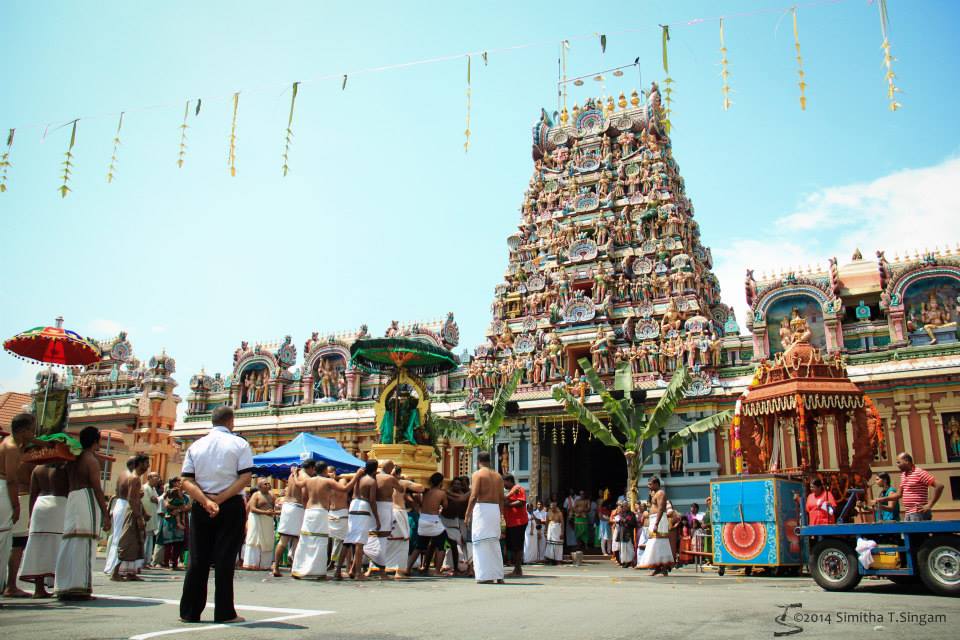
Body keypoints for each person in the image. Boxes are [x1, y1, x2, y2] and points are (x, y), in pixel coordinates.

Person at [178, 405, 254, 624]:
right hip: (229, 504)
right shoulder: (240, 444)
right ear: (231, 422)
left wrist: (206, 501)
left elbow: (186, 480)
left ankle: (190, 612)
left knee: (198, 558)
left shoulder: (196, 445)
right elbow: (245, 478)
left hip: (202, 504)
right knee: (224, 559)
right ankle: (224, 612)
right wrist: (220, 500)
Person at [54, 426, 111, 600]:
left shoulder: (72, 458)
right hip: (86, 497)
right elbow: (97, 488)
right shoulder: (90, 459)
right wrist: (105, 513)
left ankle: (64, 585)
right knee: (84, 542)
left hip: (72, 498)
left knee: (70, 541)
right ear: (96, 440)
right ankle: (80, 588)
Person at [289, 462, 362, 580]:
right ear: (324, 471)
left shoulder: (309, 480)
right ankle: (317, 571)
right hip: (320, 512)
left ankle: (298, 569)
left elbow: (297, 484)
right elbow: (345, 489)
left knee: (305, 540)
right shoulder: (328, 481)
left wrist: (294, 474)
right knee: (320, 541)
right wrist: (357, 475)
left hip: (309, 511)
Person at [1, 413, 38, 597]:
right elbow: (11, 480)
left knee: (8, 541)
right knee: (12, 543)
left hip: (13, 494)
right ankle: (10, 585)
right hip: (13, 495)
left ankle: (8, 585)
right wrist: (16, 506)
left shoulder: (14, 444)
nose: (34, 433)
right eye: (32, 429)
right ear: (23, 431)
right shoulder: (12, 448)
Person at [363, 460, 421, 579]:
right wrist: (406, 480)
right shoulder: (398, 481)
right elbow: (420, 488)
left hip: (378, 510)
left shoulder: (373, 478)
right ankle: (398, 571)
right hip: (397, 512)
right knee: (402, 541)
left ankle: (372, 569)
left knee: (381, 540)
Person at [18, 462, 68, 597]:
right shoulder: (63, 467)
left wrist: (30, 516)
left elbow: (32, 493)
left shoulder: (37, 468)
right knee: (59, 546)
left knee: (38, 546)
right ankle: (59, 586)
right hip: (59, 504)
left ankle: (39, 589)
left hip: (39, 505)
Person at [104, 454, 149, 581]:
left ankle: (130, 571)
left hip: (122, 506)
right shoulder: (134, 478)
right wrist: (139, 517)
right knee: (125, 539)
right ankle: (115, 571)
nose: (147, 467)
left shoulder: (123, 475)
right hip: (127, 508)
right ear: (138, 464)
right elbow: (131, 498)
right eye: (146, 463)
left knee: (128, 538)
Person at [272, 459, 316, 577]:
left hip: (287, 506)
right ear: (311, 468)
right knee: (296, 539)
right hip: (297, 507)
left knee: (284, 539)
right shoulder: (304, 476)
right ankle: (293, 567)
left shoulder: (293, 474)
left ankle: (276, 566)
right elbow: (304, 494)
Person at [465, 451, 505, 583]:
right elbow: (501, 498)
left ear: (478, 461)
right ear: (490, 461)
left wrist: (467, 514)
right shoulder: (498, 476)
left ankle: (484, 576)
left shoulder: (478, 474)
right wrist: (501, 515)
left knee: (480, 542)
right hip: (494, 510)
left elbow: (474, 495)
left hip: (482, 509)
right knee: (494, 542)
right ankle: (498, 575)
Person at [875, 452, 944, 522]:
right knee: (908, 532)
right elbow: (898, 494)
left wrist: (930, 505)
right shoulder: (903, 475)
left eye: (899, 462)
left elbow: (939, 486)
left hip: (918, 512)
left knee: (918, 533)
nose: (897, 465)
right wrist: (882, 499)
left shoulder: (919, 473)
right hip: (908, 512)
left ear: (907, 461)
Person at [342, 458, 379, 580]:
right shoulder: (371, 481)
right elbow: (372, 501)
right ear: (375, 469)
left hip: (353, 506)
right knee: (359, 542)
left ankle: (339, 571)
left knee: (348, 540)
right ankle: (358, 573)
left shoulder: (358, 478)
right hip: (363, 506)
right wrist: (377, 519)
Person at [408, 472, 447, 576]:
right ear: (441, 482)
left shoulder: (425, 491)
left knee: (419, 546)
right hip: (433, 520)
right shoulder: (441, 493)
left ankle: (407, 568)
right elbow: (445, 506)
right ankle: (437, 571)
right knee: (440, 546)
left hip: (423, 519)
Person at [636, 477, 673, 576]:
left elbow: (661, 508)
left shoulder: (661, 493)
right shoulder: (654, 493)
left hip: (659, 520)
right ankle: (658, 567)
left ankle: (663, 567)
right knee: (655, 543)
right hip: (654, 519)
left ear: (656, 484)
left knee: (659, 543)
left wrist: (656, 523)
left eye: (650, 484)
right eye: (648, 484)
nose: (649, 486)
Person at [242, 479, 277, 570]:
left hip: (268, 520)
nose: (268, 485)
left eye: (269, 483)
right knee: (254, 540)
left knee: (267, 541)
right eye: (265, 484)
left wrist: (274, 512)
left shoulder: (272, 495)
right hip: (256, 519)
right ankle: (252, 563)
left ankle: (265, 565)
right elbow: (252, 509)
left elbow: (274, 508)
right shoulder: (256, 495)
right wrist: (265, 512)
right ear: (260, 486)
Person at [156, 478, 189, 569]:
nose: (179, 484)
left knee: (178, 543)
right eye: (178, 482)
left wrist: (178, 509)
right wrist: (176, 509)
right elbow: (166, 504)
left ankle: (174, 563)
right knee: (168, 543)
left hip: (180, 522)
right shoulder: (169, 493)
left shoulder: (185, 496)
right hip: (170, 520)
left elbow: (187, 507)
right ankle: (166, 562)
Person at [441, 475, 470, 575]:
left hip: (456, 521)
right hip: (444, 520)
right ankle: (446, 565)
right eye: (456, 484)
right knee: (443, 544)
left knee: (456, 544)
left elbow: (462, 499)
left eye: (459, 484)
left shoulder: (462, 494)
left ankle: (456, 566)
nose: (457, 485)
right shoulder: (446, 492)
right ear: (452, 484)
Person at [326, 465, 350, 576]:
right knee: (327, 541)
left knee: (345, 541)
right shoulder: (325, 482)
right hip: (330, 513)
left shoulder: (342, 480)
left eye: (330, 472)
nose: (328, 474)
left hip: (341, 513)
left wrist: (332, 479)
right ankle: (330, 563)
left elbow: (342, 490)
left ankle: (345, 568)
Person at [502, 474, 528, 577]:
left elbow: (521, 502)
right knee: (512, 547)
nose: (503, 485)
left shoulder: (518, 489)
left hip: (519, 521)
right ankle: (516, 569)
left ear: (509, 481)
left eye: (504, 482)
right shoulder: (509, 492)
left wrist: (508, 505)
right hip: (511, 523)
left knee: (517, 546)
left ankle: (518, 569)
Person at [141, 472, 161, 568]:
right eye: (156, 476)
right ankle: (142, 561)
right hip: (146, 517)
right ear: (149, 478)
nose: (158, 479)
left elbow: (156, 500)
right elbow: (151, 500)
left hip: (152, 517)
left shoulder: (153, 489)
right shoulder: (145, 488)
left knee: (149, 540)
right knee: (144, 540)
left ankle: (147, 561)